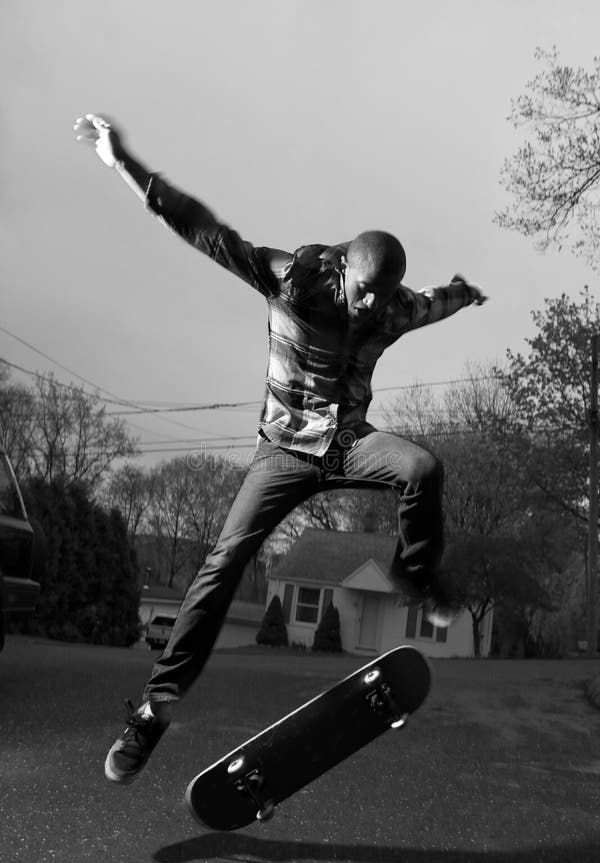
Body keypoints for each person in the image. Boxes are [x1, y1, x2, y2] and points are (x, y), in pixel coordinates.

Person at [73, 113, 488, 785]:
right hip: (282, 454)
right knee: (225, 560)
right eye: (363, 292)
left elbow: (433, 301)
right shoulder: (288, 279)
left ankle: (417, 575)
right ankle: (153, 711)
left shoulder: (393, 307)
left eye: (382, 298)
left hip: (350, 444)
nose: (370, 307)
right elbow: (205, 231)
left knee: (422, 467)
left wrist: (465, 294)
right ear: (343, 269)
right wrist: (121, 161)